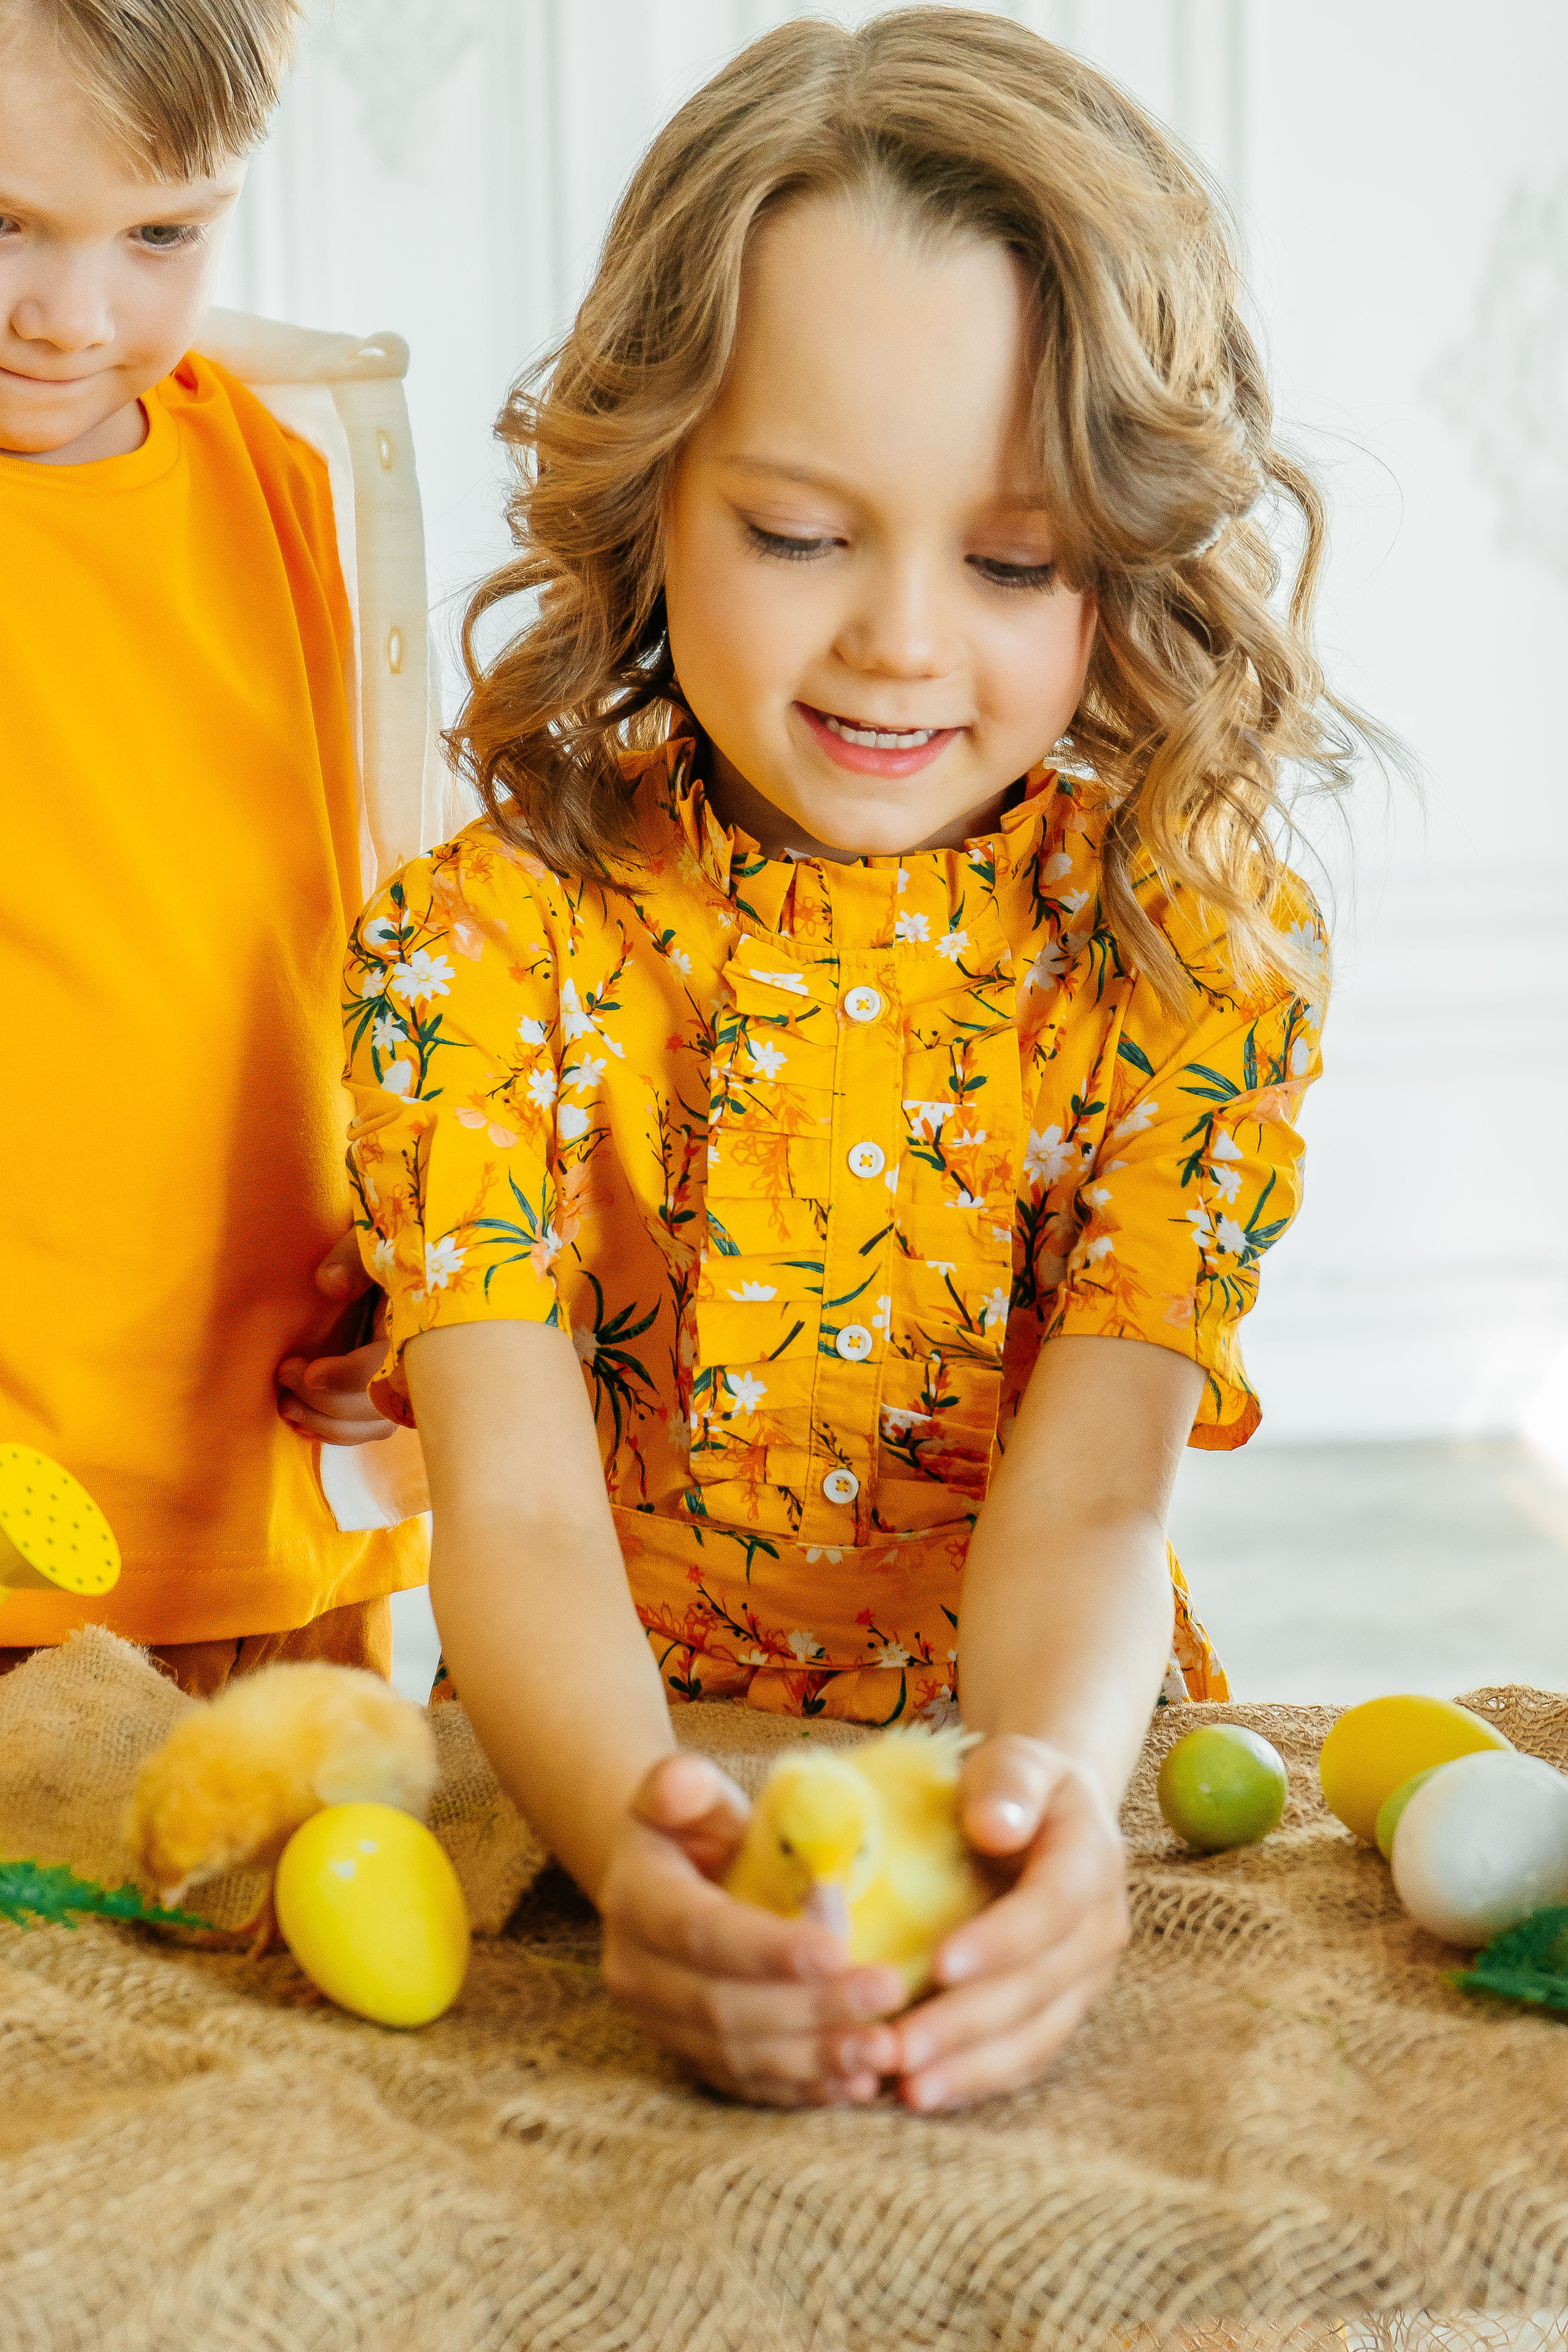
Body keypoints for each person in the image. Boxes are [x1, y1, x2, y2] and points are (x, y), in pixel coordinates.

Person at [344, 10, 1349, 2111]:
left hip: (1027, 1744)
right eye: (801, 533)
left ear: (1124, 555)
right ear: (651, 496)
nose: (903, 639)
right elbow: (513, 1515)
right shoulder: (488, 951)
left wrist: (1041, 1820)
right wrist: (642, 1835)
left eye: (1010, 562)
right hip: (602, 1754)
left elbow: (1087, 1502)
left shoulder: (1180, 965)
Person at [1, 0, 447, 1695]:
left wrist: (408, 1250)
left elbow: (347, 920)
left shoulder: (274, 469)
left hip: (263, 1471)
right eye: (3, 223)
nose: (71, 316)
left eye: (162, 234)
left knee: (285, 1922)